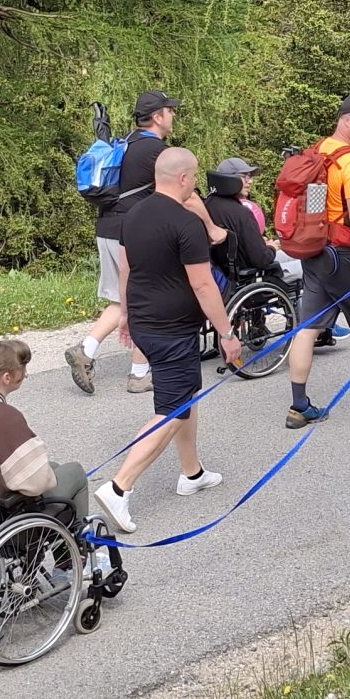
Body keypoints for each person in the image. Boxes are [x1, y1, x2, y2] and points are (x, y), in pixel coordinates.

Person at [90, 149, 244, 531]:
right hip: (172, 330)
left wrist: (126, 314)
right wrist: (227, 333)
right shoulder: (186, 223)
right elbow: (203, 285)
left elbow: (126, 269)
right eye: (194, 177)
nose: (196, 184)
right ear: (183, 178)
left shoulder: (132, 214)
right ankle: (119, 487)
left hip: (145, 322)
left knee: (185, 394)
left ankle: (192, 473)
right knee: (173, 410)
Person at [281, 96, 350, 429]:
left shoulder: (318, 152)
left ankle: (299, 406)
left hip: (317, 253)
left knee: (307, 328)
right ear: (346, 120)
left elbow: (316, 208)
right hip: (347, 255)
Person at [68, 90, 177, 395]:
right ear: (157, 116)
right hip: (131, 233)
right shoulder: (157, 151)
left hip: (107, 226)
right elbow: (180, 194)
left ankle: (85, 350)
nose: (173, 115)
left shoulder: (125, 142)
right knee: (147, 301)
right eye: (170, 111)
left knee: (122, 297)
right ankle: (140, 374)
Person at [0, 338, 91, 515]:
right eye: (23, 369)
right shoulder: (7, 416)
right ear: (7, 378)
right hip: (7, 512)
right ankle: (82, 530)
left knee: (53, 466)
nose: (26, 374)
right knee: (75, 471)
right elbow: (38, 483)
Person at [203, 156, 279, 279]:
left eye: (250, 177)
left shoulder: (207, 205)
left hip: (222, 274)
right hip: (248, 276)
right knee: (297, 263)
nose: (250, 181)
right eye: (245, 177)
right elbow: (262, 259)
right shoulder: (242, 213)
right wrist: (271, 247)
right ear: (229, 179)